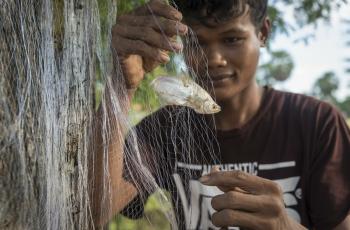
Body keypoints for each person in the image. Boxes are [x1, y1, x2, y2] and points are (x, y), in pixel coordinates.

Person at [91, 0, 350, 229]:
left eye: (232, 39)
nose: (213, 58)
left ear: (263, 33)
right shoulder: (164, 127)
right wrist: (122, 85)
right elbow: (95, 211)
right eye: (197, 41)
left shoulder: (317, 123)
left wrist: (284, 226)